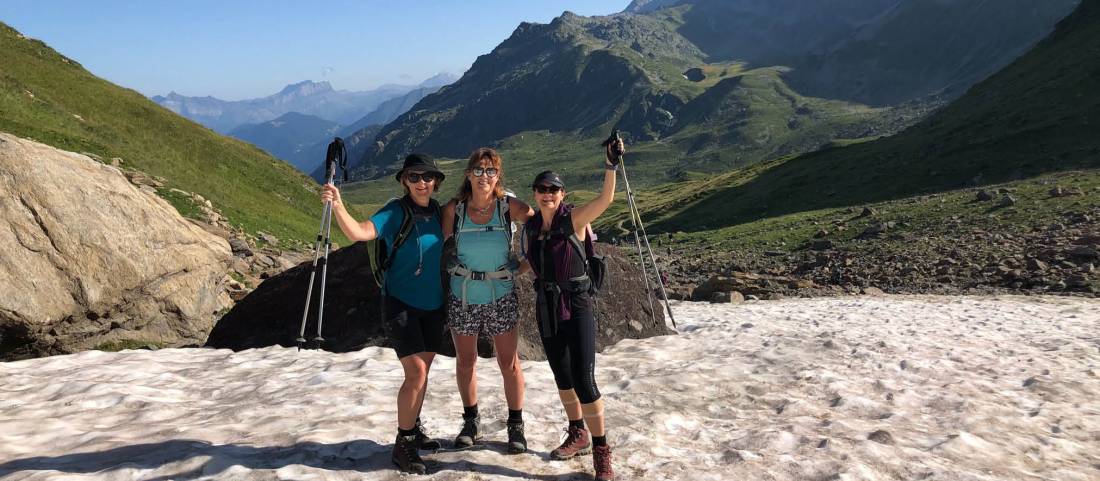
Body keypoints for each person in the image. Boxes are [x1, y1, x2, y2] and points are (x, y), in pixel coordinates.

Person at [321, 153, 446, 475]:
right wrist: (337, 206)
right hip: (400, 303)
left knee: (423, 373)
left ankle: (414, 428)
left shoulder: (436, 211)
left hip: (434, 306)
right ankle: (403, 443)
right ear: (404, 181)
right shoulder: (395, 211)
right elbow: (360, 233)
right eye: (415, 177)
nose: (422, 182)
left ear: (435, 182)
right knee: (416, 373)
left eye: (427, 177)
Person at [522, 138, 623, 481]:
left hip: (577, 304)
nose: (547, 193)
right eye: (541, 188)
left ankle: (601, 450)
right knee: (562, 376)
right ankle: (577, 431)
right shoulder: (532, 228)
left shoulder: (574, 220)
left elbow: (606, 199)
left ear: (562, 194)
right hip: (546, 305)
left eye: (553, 189)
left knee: (584, 379)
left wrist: (610, 165)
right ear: (535, 193)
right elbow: (530, 263)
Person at [441, 147, 535, 453]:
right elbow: (439, 247)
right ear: (468, 174)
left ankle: (516, 425)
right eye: (479, 170)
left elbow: (540, 225)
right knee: (466, 361)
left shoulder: (508, 207)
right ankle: (470, 420)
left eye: (491, 171)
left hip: (501, 294)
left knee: (509, 363)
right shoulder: (454, 210)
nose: (485, 176)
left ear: (498, 176)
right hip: (464, 295)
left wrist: (524, 266)